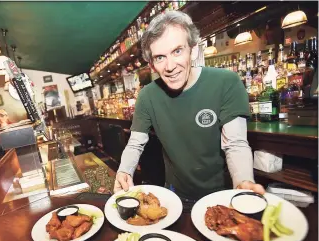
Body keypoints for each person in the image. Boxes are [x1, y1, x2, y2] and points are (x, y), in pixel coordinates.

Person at [114, 11, 265, 201]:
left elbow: (235, 143)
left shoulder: (226, 82)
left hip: (222, 194)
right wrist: (124, 171)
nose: (170, 66)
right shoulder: (147, 96)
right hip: (175, 196)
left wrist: (243, 181)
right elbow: (135, 143)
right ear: (152, 65)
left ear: (193, 50)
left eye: (177, 51)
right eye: (160, 57)